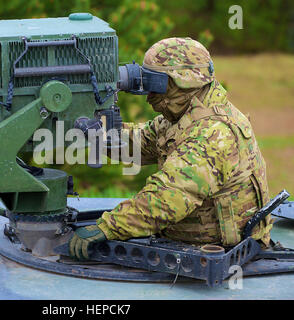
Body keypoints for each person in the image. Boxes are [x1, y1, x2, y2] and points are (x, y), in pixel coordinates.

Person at [69, 37, 273, 261]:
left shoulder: (213, 132)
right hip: (186, 243)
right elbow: (140, 144)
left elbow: (169, 197)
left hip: (219, 253)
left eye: (155, 83)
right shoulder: (185, 113)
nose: (149, 95)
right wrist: (100, 132)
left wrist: (109, 226)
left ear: (182, 81)